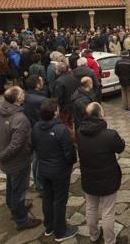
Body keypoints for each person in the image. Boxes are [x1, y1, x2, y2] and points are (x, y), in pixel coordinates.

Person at [0, 87, 42, 231]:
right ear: (18, 99)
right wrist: (1, 156)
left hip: (8, 161)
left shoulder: (0, 112)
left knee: (11, 187)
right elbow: (16, 145)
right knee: (18, 191)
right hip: (18, 162)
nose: (24, 95)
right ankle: (21, 220)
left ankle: (15, 207)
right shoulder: (20, 118)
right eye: (22, 94)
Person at [77, 102, 126, 244]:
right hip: (108, 178)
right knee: (108, 211)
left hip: (88, 176)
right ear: (100, 114)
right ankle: (110, 240)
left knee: (91, 207)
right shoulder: (109, 135)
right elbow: (120, 147)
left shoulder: (80, 131)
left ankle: (94, 236)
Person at [32, 99, 78, 241]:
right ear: (54, 113)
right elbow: (69, 153)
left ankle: (49, 226)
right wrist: (70, 164)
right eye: (57, 109)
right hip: (59, 171)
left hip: (44, 169)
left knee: (47, 197)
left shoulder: (36, 127)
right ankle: (60, 232)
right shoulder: (61, 129)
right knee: (59, 200)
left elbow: (34, 146)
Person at [53, 62, 80, 140]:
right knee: (70, 123)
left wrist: (58, 107)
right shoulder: (73, 77)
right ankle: (71, 139)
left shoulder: (58, 81)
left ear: (58, 70)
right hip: (73, 105)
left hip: (64, 108)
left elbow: (58, 97)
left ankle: (74, 139)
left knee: (64, 125)